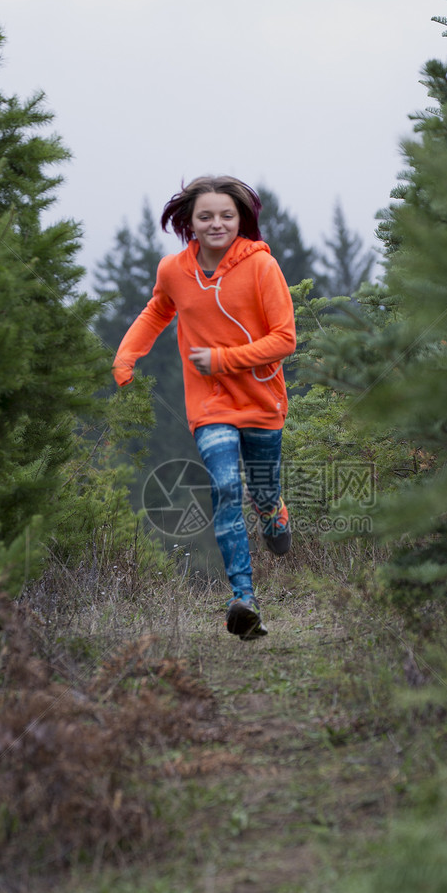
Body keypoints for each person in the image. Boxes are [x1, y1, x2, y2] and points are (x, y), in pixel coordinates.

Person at [112, 175, 297, 639]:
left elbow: (284, 339)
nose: (217, 223)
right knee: (225, 486)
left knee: (262, 488)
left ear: (242, 220)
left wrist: (222, 359)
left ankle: (274, 512)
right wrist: (127, 353)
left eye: (227, 216)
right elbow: (158, 310)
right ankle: (243, 599)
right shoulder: (174, 270)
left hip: (261, 400)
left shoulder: (261, 268)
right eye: (206, 216)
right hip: (209, 404)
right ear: (189, 222)